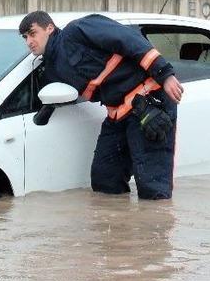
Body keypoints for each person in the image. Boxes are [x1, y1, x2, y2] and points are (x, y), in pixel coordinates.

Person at [19, 11, 184, 200]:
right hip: (117, 115)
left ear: (49, 28)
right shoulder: (51, 68)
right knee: (105, 180)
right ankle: (123, 228)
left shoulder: (78, 30)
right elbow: (53, 96)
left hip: (150, 102)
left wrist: (165, 75)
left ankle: (155, 227)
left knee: (152, 189)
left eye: (33, 33)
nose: (29, 42)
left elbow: (129, 39)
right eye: (25, 37)